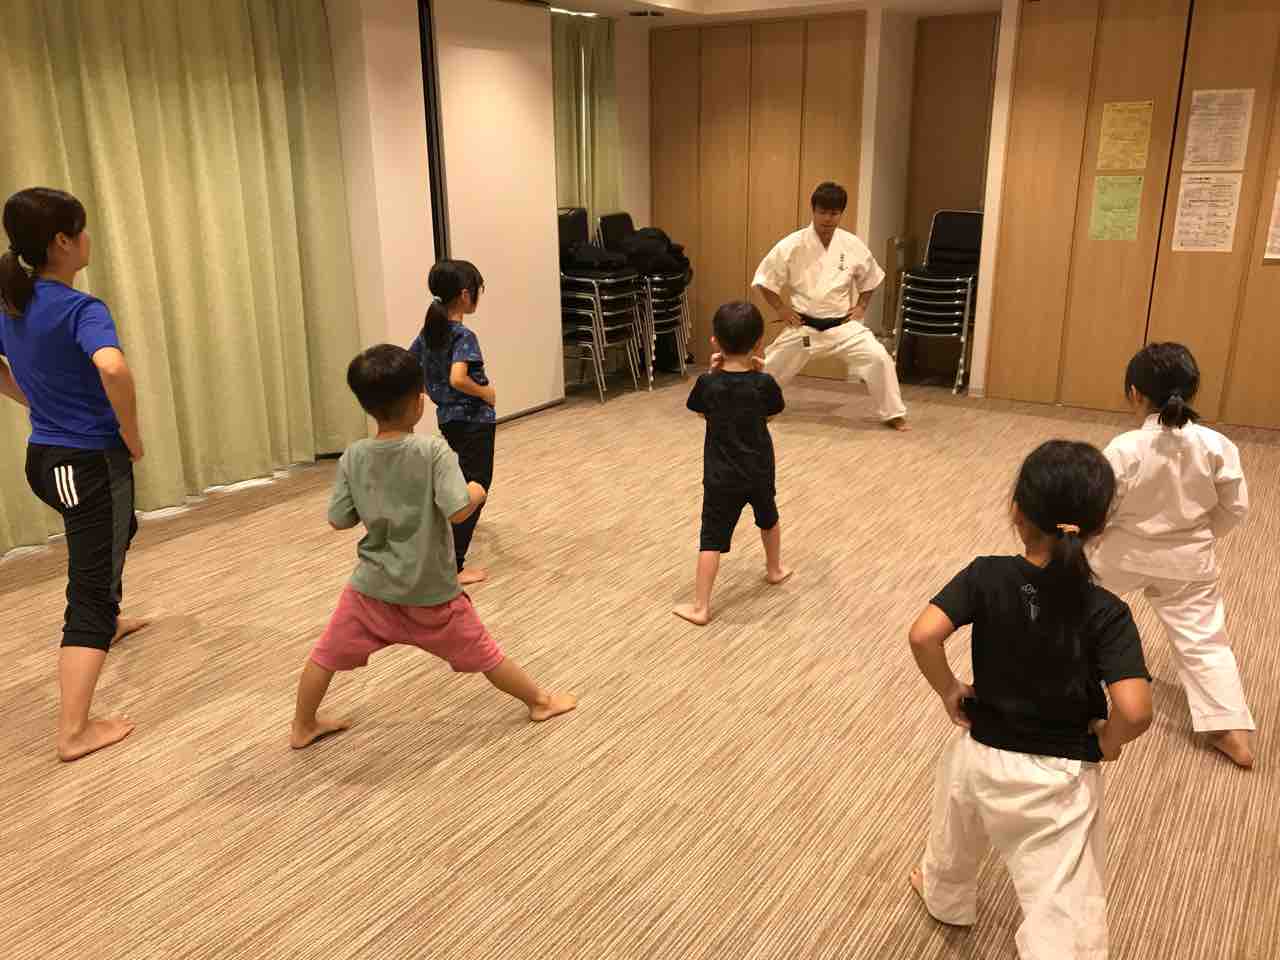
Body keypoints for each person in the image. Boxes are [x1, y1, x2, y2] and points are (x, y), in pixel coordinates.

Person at [908, 440, 1153, 960]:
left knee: (956, 825)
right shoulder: (1106, 610)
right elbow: (1134, 710)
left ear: (1017, 511)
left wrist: (950, 689)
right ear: (1099, 527)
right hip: (1058, 779)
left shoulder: (985, 574)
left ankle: (944, 894)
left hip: (980, 752)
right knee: (1062, 905)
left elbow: (923, 635)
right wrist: (1109, 741)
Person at [291, 345, 575, 749]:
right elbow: (458, 512)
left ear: (366, 405)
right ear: (418, 401)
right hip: (432, 591)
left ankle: (303, 725)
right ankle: (540, 702)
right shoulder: (432, 451)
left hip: (372, 590)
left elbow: (339, 519)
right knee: (485, 653)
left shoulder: (354, 456)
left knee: (326, 654)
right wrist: (476, 491)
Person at [0, 187, 148, 762]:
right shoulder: (81, 308)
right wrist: (131, 434)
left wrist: (34, 401)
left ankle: (109, 621)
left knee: (119, 529)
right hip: (85, 463)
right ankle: (73, 731)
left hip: (47, 459)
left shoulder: (14, 302)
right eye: (81, 230)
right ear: (63, 241)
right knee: (90, 591)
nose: (88, 239)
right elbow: (112, 367)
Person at [1089, 342, 1254, 768]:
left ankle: (1064, 681)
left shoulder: (1124, 447)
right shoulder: (1217, 445)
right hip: (1188, 562)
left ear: (1134, 393)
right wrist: (1200, 535)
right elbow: (1234, 507)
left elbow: (1099, 510)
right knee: (1204, 639)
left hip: (1120, 556)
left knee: (1075, 601)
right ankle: (1229, 730)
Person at [752, 181, 909, 431]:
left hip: (842, 326)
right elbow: (764, 280)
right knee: (772, 364)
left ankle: (893, 414)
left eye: (834, 213)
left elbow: (871, 279)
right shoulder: (792, 244)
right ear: (813, 211)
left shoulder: (851, 244)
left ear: (841, 214)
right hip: (804, 327)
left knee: (879, 358)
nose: (827, 218)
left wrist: (861, 306)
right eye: (822, 212)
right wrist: (781, 309)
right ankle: (757, 407)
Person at [673, 302, 791, 627]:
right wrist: (759, 374)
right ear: (759, 344)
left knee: (711, 538)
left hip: (720, 477)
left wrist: (713, 374)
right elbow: (771, 415)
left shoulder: (707, 384)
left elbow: (701, 412)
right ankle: (774, 569)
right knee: (769, 518)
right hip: (759, 472)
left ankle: (700, 607)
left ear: (715, 342)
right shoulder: (764, 383)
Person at [409, 260, 495, 585]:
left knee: (461, 479)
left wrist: (429, 392)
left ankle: (441, 538)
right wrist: (486, 393)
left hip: (448, 419)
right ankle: (452, 564)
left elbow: (408, 364)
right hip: (474, 420)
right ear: (464, 295)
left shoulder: (429, 332)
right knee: (477, 486)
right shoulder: (463, 335)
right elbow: (458, 378)